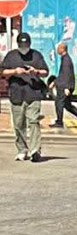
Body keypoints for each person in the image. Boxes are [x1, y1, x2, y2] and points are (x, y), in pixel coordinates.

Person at [1, 33, 49, 162]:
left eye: (26, 45)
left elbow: (46, 71)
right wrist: (15, 71)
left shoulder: (36, 55)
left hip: (33, 92)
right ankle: (22, 149)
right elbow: (3, 72)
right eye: (22, 45)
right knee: (18, 124)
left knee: (33, 121)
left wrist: (36, 72)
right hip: (16, 93)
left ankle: (35, 150)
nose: (24, 48)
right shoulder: (11, 56)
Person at [52, 42, 77, 129]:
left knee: (59, 103)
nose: (57, 50)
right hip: (63, 85)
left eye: (58, 48)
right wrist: (55, 82)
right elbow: (62, 74)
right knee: (67, 105)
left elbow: (67, 74)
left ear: (62, 49)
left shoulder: (66, 60)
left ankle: (59, 122)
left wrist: (67, 87)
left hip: (64, 86)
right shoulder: (65, 59)